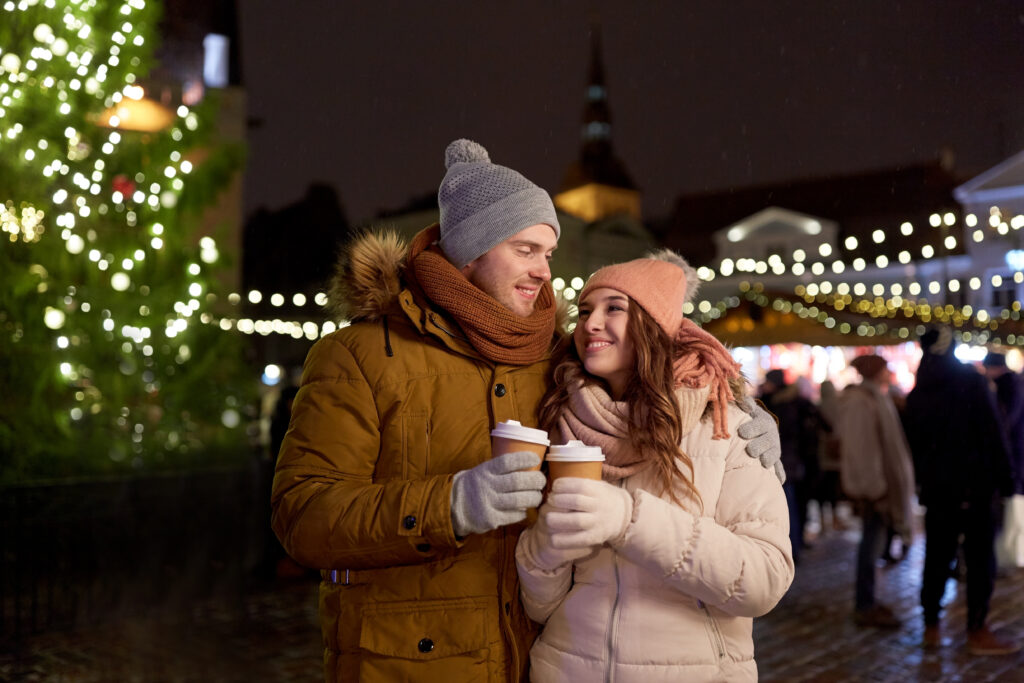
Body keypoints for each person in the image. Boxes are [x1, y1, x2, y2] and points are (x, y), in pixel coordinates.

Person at [270, 139, 785, 682]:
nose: (544, 271)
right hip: (413, 664)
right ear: (472, 251)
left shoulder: (558, 356)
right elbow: (304, 516)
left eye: (549, 253)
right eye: (525, 249)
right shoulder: (360, 354)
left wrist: (742, 407)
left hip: (536, 659)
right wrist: (451, 504)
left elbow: (662, 359)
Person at [515, 252, 794, 682]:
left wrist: (630, 520)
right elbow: (542, 606)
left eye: (614, 309)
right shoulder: (562, 423)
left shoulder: (725, 427)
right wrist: (546, 549)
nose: (590, 324)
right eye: (586, 311)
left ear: (653, 323)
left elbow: (764, 581)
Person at [903, 327, 1019, 655]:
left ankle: (932, 627)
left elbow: (915, 446)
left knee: (937, 557)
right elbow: (993, 432)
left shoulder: (919, 392)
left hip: (938, 490)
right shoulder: (970, 382)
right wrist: (1007, 478)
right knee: (980, 560)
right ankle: (977, 629)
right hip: (976, 486)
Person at [834, 354, 916, 628]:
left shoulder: (875, 398)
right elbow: (863, 450)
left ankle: (868, 601)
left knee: (874, 543)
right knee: (870, 545)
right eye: (885, 368)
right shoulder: (861, 402)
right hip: (876, 489)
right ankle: (864, 604)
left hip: (882, 487)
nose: (888, 372)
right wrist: (874, 487)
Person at [759, 368, 821, 563]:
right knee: (793, 504)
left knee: (787, 506)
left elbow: (781, 434)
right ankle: (795, 545)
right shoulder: (795, 401)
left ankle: (791, 548)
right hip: (795, 461)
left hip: (783, 461)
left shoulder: (777, 403)